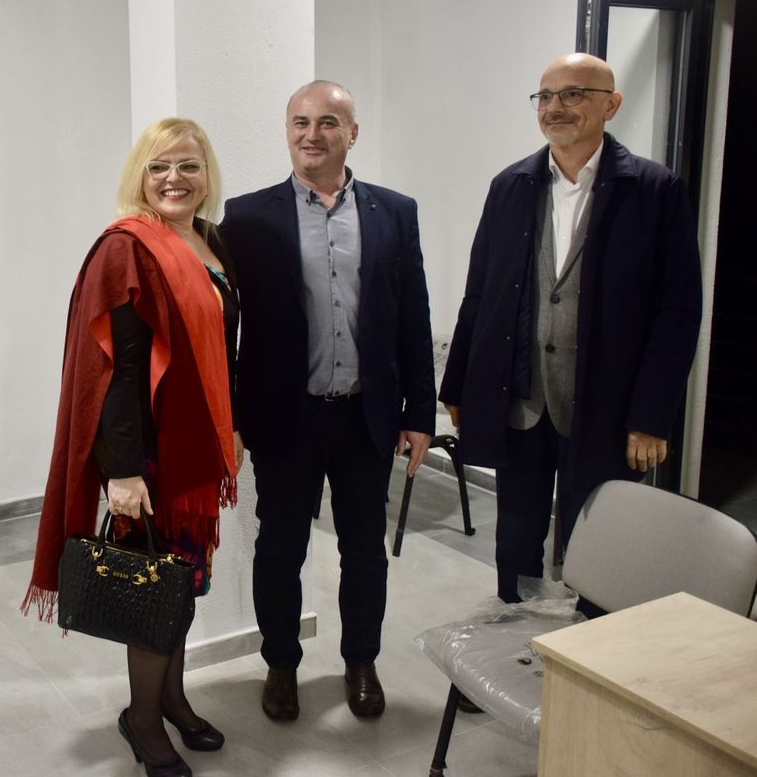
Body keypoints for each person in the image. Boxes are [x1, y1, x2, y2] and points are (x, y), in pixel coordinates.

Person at [439, 52, 703, 604]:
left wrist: (651, 416)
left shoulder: (654, 190)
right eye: (546, 96)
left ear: (612, 104)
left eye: (574, 93)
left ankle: (590, 648)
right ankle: (514, 634)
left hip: (607, 407)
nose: (555, 107)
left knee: (601, 546)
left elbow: (677, 313)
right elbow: (479, 293)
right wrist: (459, 386)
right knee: (515, 539)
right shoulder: (510, 186)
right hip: (523, 401)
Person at [23, 118, 240, 777]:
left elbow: (224, 350)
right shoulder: (126, 248)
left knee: (180, 586)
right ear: (139, 176)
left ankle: (172, 698)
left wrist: (231, 426)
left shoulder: (211, 240)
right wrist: (121, 472)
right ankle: (142, 719)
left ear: (207, 174)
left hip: (194, 450)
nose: (175, 178)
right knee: (152, 591)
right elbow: (113, 369)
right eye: (159, 166)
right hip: (147, 456)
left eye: (189, 165)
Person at [220, 80, 434, 721]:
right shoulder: (247, 218)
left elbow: (413, 317)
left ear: (352, 133)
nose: (312, 135)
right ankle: (281, 664)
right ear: (287, 130)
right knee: (280, 549)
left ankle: (361, 662)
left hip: (366, 415)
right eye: (300, 122)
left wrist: (419, 414)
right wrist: (230, 417)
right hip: (286, 416)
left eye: (328, 122)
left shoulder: (395, 212)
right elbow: (225, 328)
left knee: (364, 551)